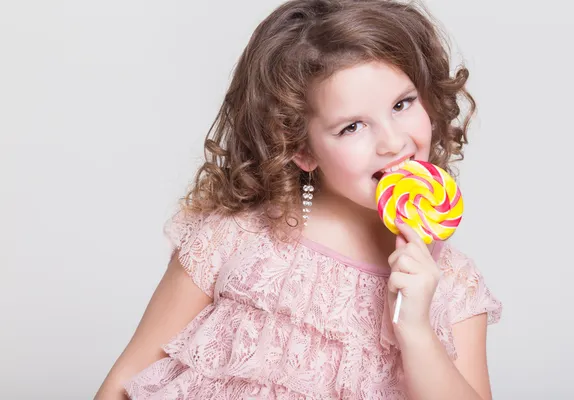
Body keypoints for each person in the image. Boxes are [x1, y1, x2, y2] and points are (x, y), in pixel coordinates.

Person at [95, 0, 502, 398]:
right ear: (301, 149)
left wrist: (415, 331)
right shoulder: (234, 239)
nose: (393, 141)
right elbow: (125, 379)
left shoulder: (452, 285)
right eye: (352, 127)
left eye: (402, 103)